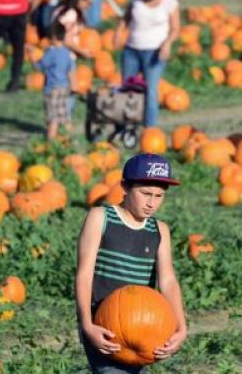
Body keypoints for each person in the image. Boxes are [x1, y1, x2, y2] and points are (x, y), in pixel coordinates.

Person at [75, 153, 188, 373]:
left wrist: (181, 327)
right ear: (125, 187)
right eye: (145, 194)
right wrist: (87, 325)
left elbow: (168, 280)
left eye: (159, 196)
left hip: (144, 328)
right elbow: (84, 274)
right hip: (103, 325)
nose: (151, 203)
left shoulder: (159, 230)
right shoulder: (101, 217)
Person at [114, 0, 180, 128]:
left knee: (150, 90)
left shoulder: (170, 2)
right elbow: (127, 17)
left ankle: (149, 128)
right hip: (132, 50)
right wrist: (118, 31)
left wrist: (168, 43)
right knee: (128, 88)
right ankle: (125, 125)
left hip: (154, 52)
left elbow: (176, 28)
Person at [28, 22, 75, 140]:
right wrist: (73, 85)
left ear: (53, 37)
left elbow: (38, 67)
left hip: (52, 88)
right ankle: (70, 140)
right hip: (64, 87)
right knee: (64, 116)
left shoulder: (51, 53)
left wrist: (31, 55)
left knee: (52, 118)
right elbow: (70, 70)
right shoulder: (66, 52)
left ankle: (50, 143)